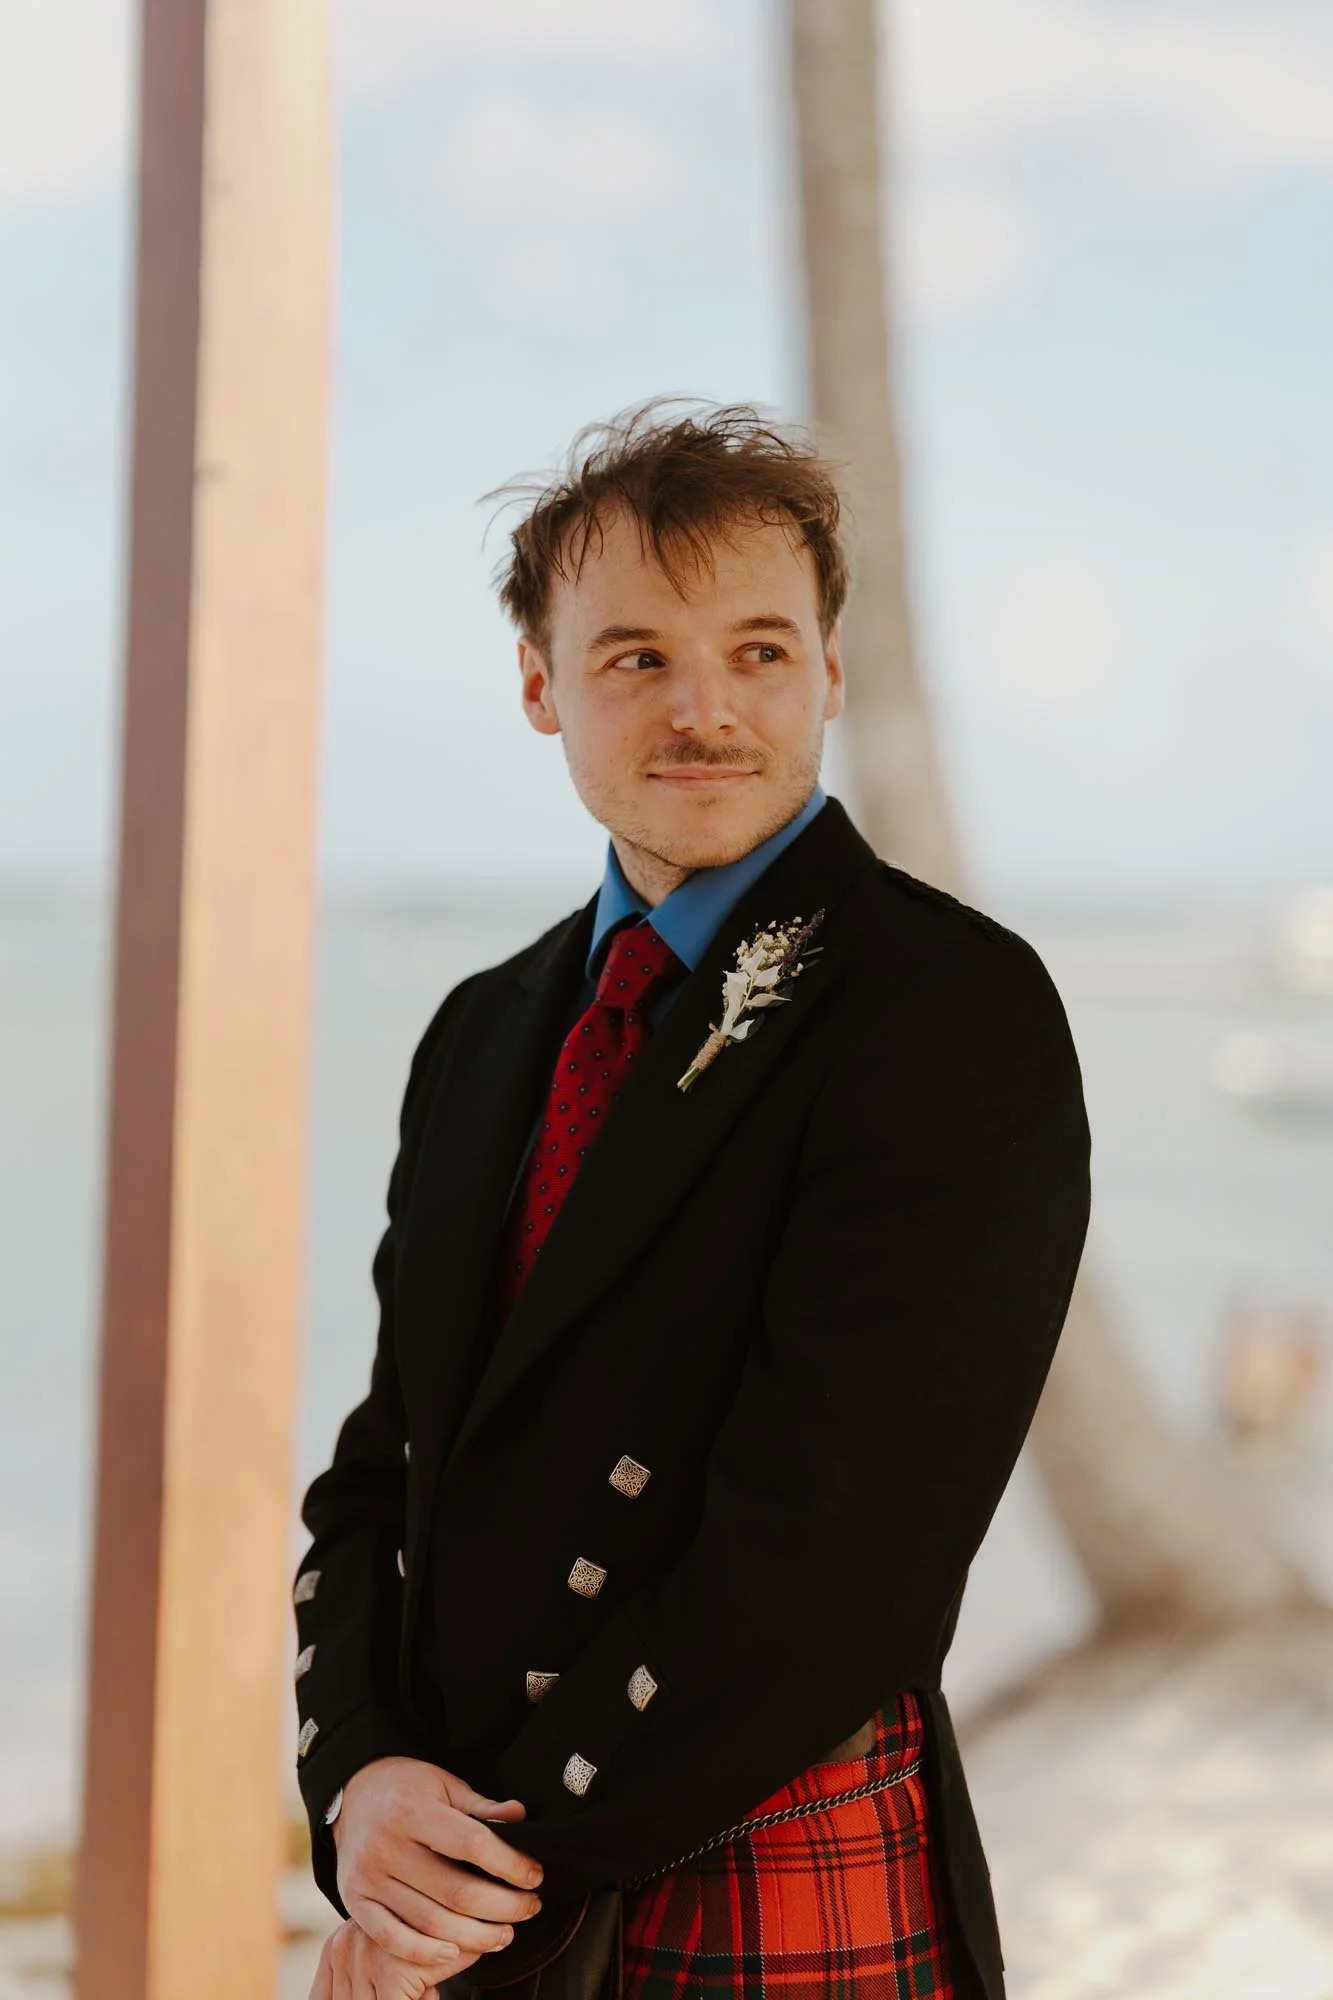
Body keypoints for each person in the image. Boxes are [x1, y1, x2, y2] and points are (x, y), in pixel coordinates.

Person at [298, 401, 1092, 1999]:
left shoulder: (947, 1007)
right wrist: (361, 1792)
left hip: (746, 1848)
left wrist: (484, 1879)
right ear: (541, 684)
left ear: (831, 672)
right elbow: (391, 1466)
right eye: (637, 656)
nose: (705, 709)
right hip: (464, 1871)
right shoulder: (483, 1027)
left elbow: (839, 1547)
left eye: (759, 651)